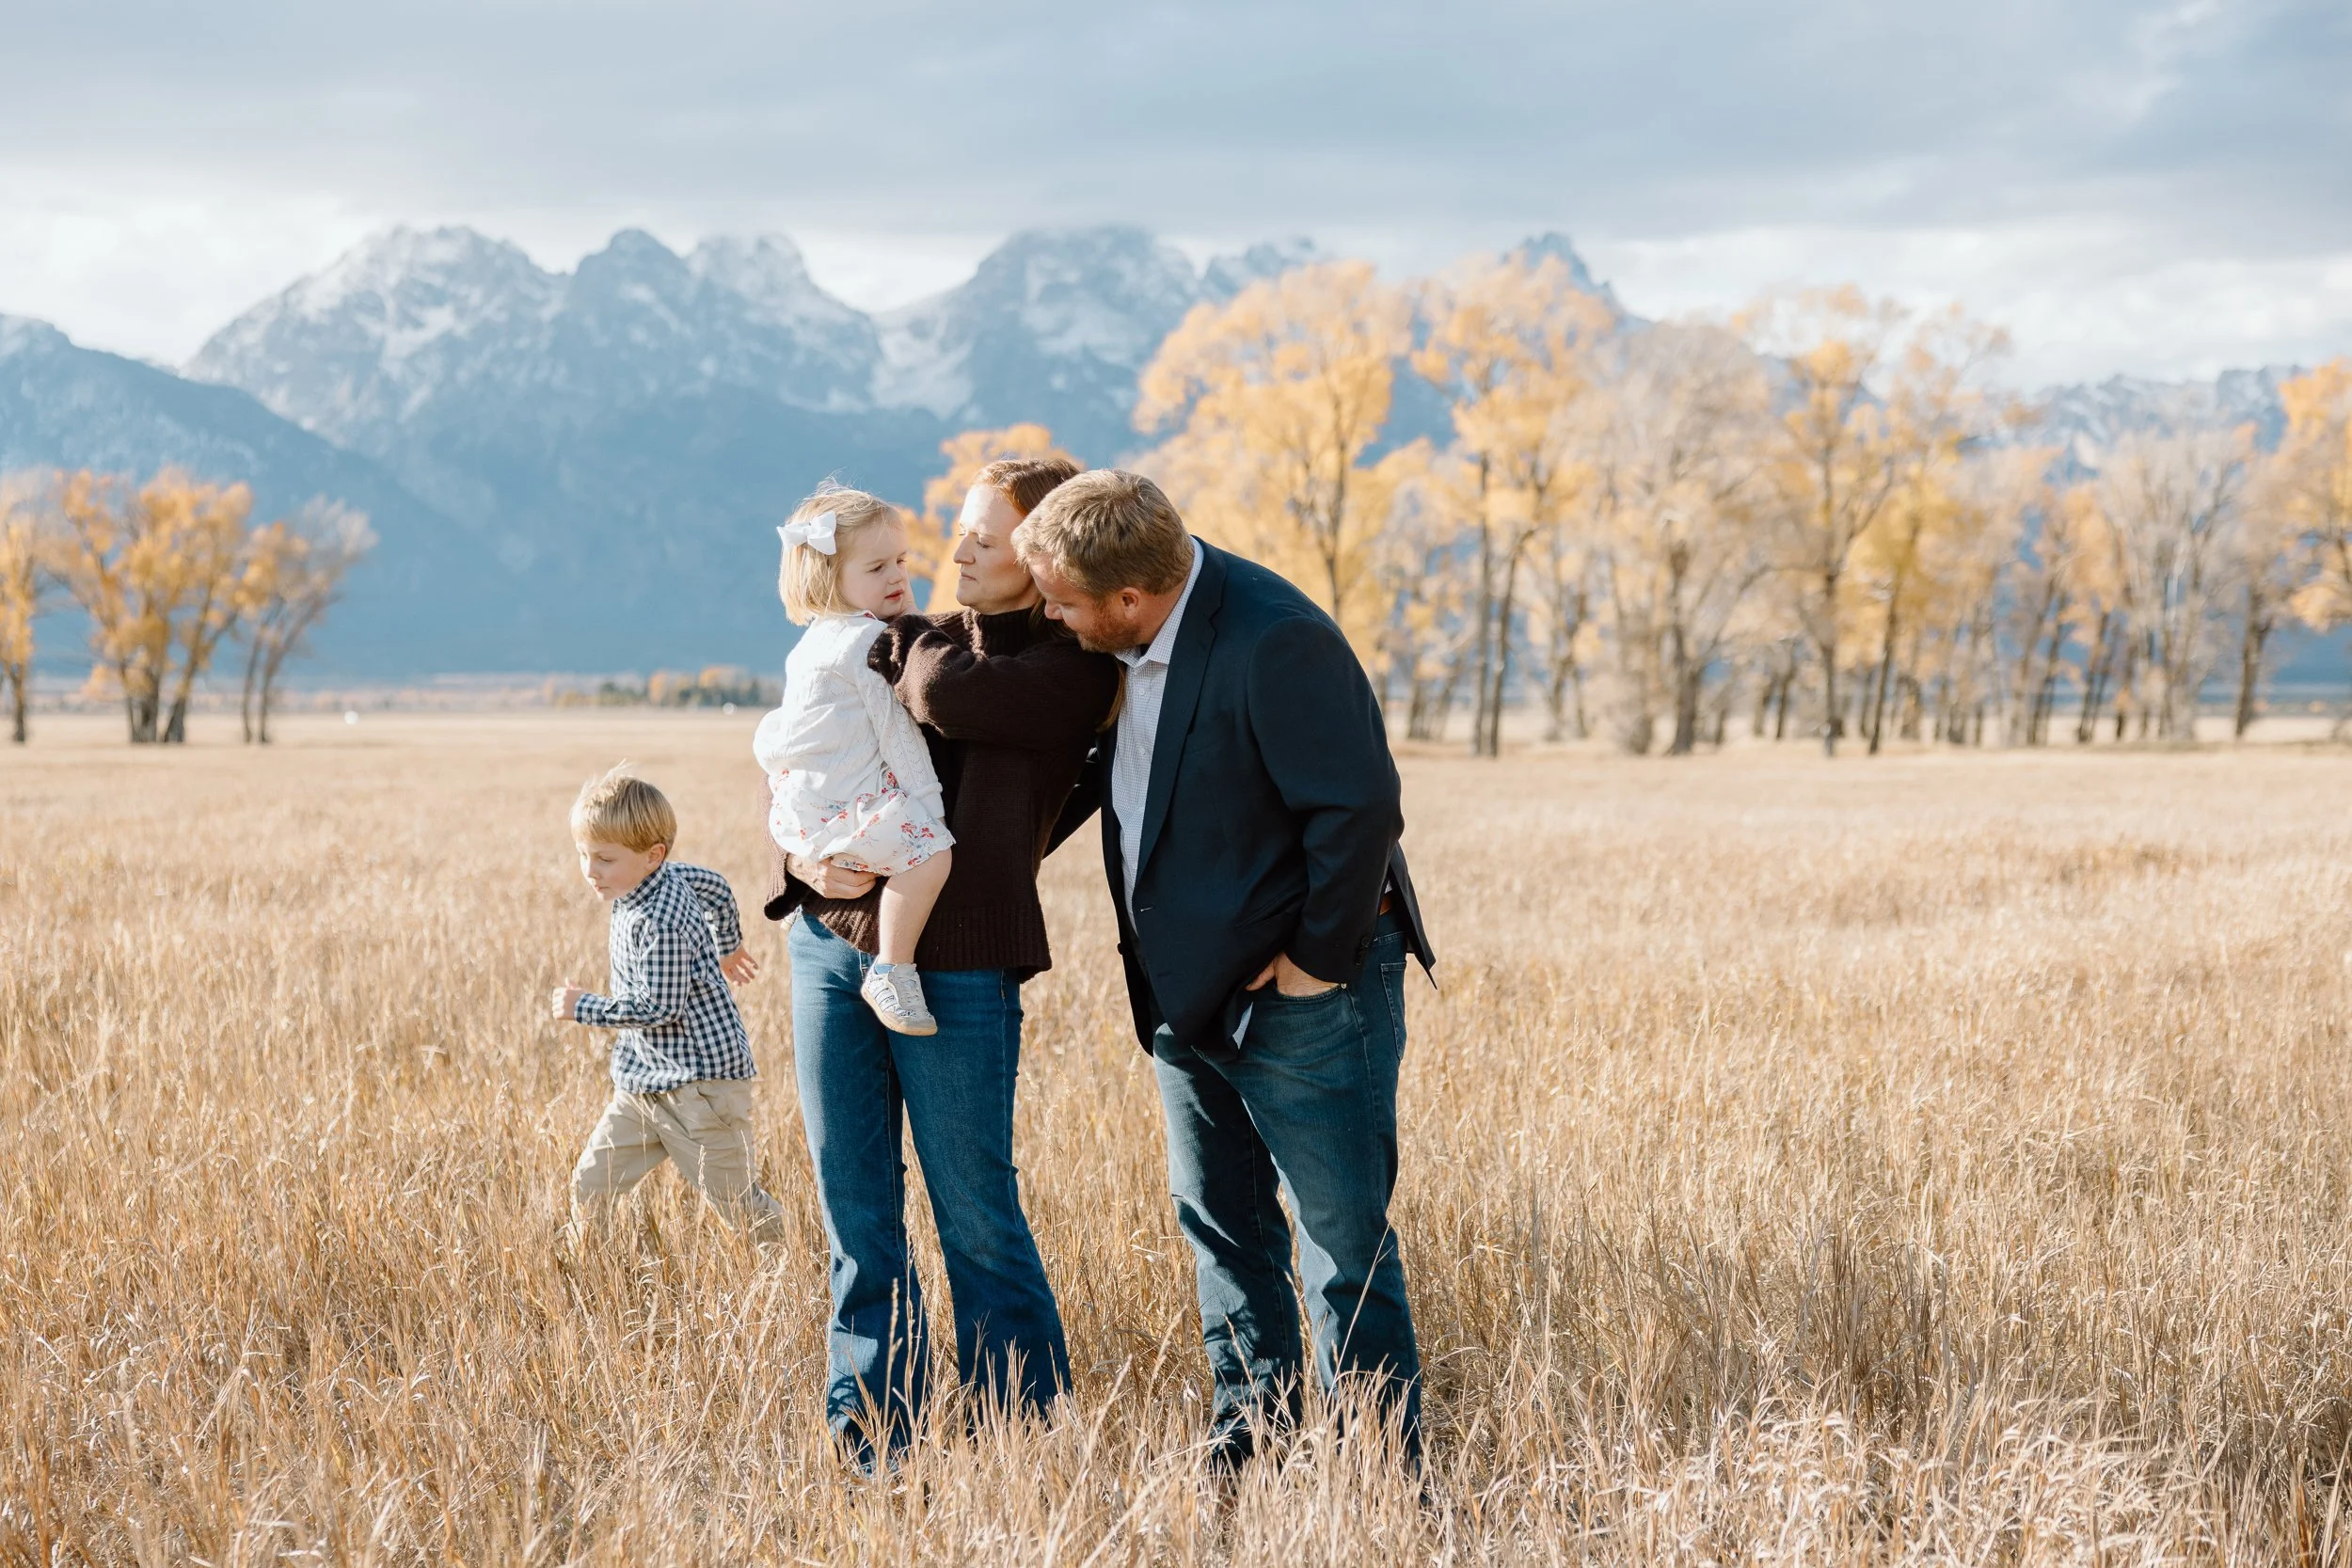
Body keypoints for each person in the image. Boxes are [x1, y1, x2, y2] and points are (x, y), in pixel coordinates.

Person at [1013, 468, 1436, 1467]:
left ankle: (1376, 1472)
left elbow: (1360, 807)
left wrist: (1309, 967)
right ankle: (1251, 1449)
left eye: (1064, 602)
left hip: (1305, 995)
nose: (1052, 616)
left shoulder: (1273, 636)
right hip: (1180, 992)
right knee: (1225, 1232)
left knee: (1343, 1249)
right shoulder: (1124, 636)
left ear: (1129, 599)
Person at [765, 455, 1119, 1461]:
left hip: (959, 965)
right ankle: (872, 1437)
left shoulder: (1067, 669)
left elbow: (948, 698)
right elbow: (802, 757)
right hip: (831, 948)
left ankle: (1023, 1440)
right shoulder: (892, 636)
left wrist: (884, 635)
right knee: (856, 1213)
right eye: (957, 530)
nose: (956, 548)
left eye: (984, 536)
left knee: (976, 1215)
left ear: (1046, 555)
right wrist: (799, 859)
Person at [552, 766, 783, 1248]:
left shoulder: (659, 923)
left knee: (739, 1209)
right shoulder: (655, 879)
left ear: (653, 856)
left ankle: (803, 1269)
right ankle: (582, 1278)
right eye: (583, 855)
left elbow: (658, 1007)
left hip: (702, 1090)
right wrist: (728, 945)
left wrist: (584, 1007)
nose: (590, 871)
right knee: (591, 1185)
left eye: (605, 859)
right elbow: (716, 885)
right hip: (646, 1083)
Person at [754, 487, 953, 1036]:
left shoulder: (811, 644)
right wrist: (928, 808)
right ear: (829, 577)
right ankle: (893, 965)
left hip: (805, 815)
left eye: (901, 561)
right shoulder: (869, 643)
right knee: (931, 855)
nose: (897, 576)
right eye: (876, 566)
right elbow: (898, 735)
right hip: (853, 805)